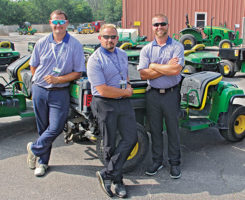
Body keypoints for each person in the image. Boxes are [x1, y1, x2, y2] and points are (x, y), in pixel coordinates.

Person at [26, 10, 86, 177]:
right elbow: (33, 66)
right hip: (39, 89)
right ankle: (43, 163)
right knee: (42, 128)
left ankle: (34, 148)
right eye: (55, 22)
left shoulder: (74, 45)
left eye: (61, 22)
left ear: (67, 23)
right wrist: (42, 81)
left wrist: (58, 80)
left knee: (56, 127)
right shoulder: (42, 42)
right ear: (50, 23)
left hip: (59, 92)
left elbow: (78, 72)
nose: (58, 25)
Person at [87, 24, 137, 198]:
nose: (110, 40)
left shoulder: (122, 54)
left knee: (131, 138)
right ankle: (116, 181)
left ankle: (106, 174)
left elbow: (125, 75)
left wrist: (128, 85)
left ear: (118, 38)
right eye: (106, 37)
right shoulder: (95, 60)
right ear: (100, 38)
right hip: (105, 104)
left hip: (123, 101)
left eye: (113, 37)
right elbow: (102, 89)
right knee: (109, 144)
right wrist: (126, 91)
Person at [137, 14, 184, 179]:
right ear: (152, 27)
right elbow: (143, 74)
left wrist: (154, 66)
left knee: (173, 130)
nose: (159, 27)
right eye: (156, 24)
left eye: (162, 24)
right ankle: (157, 161)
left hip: (171, 94)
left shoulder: (177, 47)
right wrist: (166, 67)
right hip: (153, 95)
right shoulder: (147, 49)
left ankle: (175, 163)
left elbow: (175, 70)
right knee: (155, 130)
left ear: (167, 25)